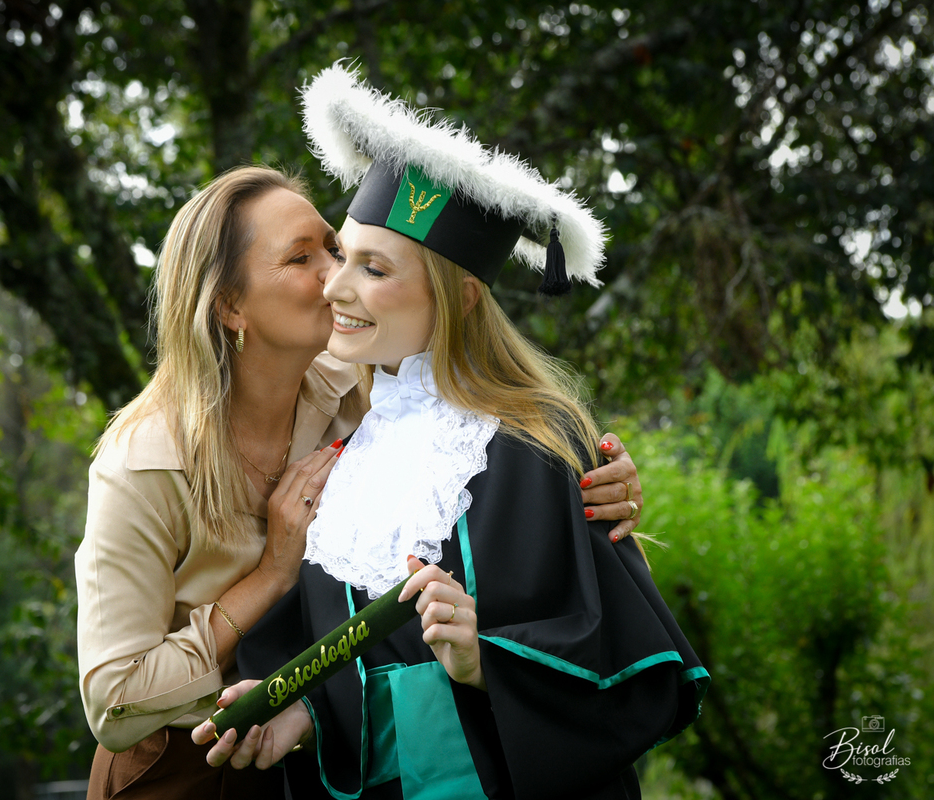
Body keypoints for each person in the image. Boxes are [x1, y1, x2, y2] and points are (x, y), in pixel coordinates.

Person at [191, 64, 708, 799]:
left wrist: (483, 661)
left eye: (374, 268)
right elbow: (355, 662)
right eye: (342, 255)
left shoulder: (539, 443)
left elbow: (632, 670)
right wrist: (302, 715)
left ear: (461, 297)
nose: (337, 286)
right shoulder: (344, 447)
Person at [76, 168, 647, 797]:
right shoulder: (144, 464)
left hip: (303, 752)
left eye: (339, 251)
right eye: (306, 258)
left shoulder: (361, 395)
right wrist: (273, 576)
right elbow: (114, 702)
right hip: (181, 763)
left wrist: (590, 479)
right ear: (231, 305)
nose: (333, 279)